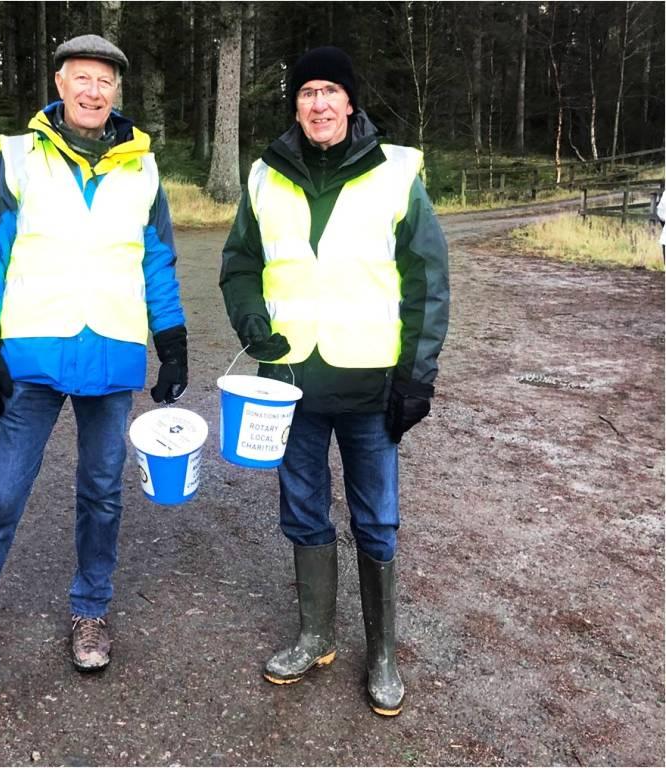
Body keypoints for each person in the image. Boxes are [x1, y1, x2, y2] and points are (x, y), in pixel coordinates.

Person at [0, 34, 188, 704]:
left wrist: (174, 337)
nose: (94, 91)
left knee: (103, 493)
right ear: (60, 82)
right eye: (83, 79)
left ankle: (90, 611)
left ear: (117, 93)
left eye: (105, 82)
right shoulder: (20, 157)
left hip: (111, 352)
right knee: (2, 495)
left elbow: (156, 260)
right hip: (32, 353)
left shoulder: (144, 169)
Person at [219, 46, 449, 717]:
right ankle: (316, 634)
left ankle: (380, 654)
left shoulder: (397, 173)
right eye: (307, 92)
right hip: (287, 388)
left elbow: (427, 284)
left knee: (376, 519)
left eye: (330, 91)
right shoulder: (266, 175)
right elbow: (238, 265)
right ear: (296, 105)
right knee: (302, 511)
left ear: (351, 102)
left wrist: (417, 377)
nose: (319, 103)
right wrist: (251, 323)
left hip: (372, 387)